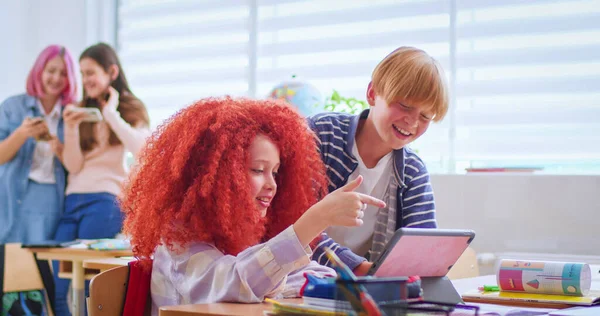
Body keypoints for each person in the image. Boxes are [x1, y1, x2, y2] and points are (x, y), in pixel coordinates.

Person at [119, 97, 385, 314]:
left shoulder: (241, 231)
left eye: (276, 172)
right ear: (216, 174)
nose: (272, 184)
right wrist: (314, 220)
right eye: (258, 170)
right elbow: (237, 283)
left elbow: (304, 274)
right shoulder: (179, 242)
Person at [308, 46, 449, 275]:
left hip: (360, 290)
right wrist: (362, 269)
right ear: (373, 93)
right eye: (404, 105)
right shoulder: (321, 135)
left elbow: (422, 249)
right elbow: (291, 225)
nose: (412, 122)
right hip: (294, 281)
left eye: (425, 116)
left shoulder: (412, 171)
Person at [52, 43, 150, 316]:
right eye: (82, 74)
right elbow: (73, 165)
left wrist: (112, 115)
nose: (86, 80)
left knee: (88, 285)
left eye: (91, 72)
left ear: (112, 71)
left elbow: (142, 150)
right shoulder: (80, 111)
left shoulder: (130, 108)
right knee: (58, 285)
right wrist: (71, 129)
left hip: (105, 202)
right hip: (72, 202)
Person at [0, 45, 77, 243]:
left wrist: (58, 146)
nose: (57, 78)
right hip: (13, 194)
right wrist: (22, 133)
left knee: (41, 265)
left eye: (64, 73)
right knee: (10, 262)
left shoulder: (72, 113)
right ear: (39, 71)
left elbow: (76, 164)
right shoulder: (12, 107)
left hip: (51, 196)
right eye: (51, 70)